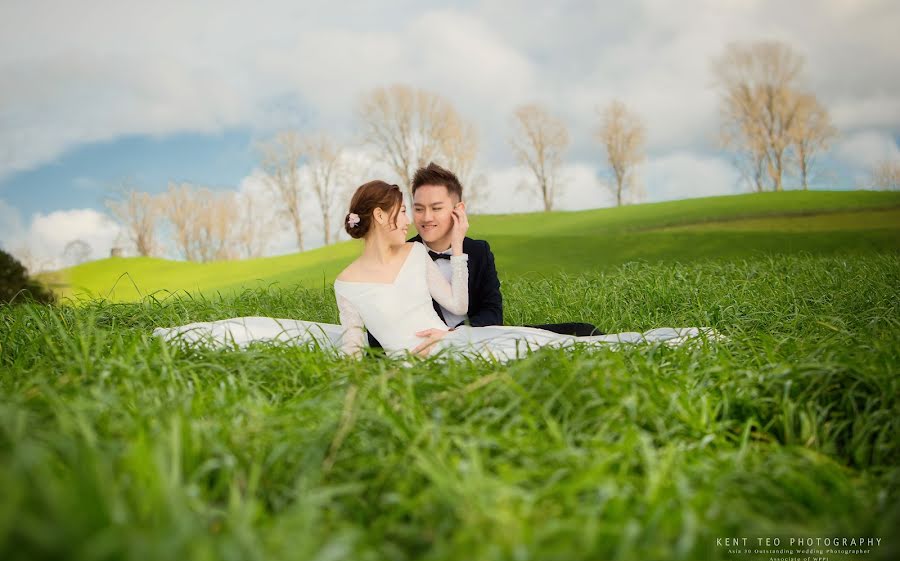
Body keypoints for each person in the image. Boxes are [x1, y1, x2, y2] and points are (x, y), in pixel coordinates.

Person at [154, 180, 715, 362]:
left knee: (542, 345)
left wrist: (445, 328)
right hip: (401, 361)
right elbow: (352, 346)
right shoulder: (345, 282)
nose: (413, 223)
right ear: (379, 216)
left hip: (449, 343)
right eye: (403, 214)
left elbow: (468, 309)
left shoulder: (418, 256)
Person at [367, 162, 601, 352]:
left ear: (458, 209)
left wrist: (454, 335)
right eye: (419, 209)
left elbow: (492, 312)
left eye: (436, 208)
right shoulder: (400, 256)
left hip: (479, 337)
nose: (426, 217)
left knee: (582, 331)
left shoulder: (478, 251)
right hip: (425, 349)